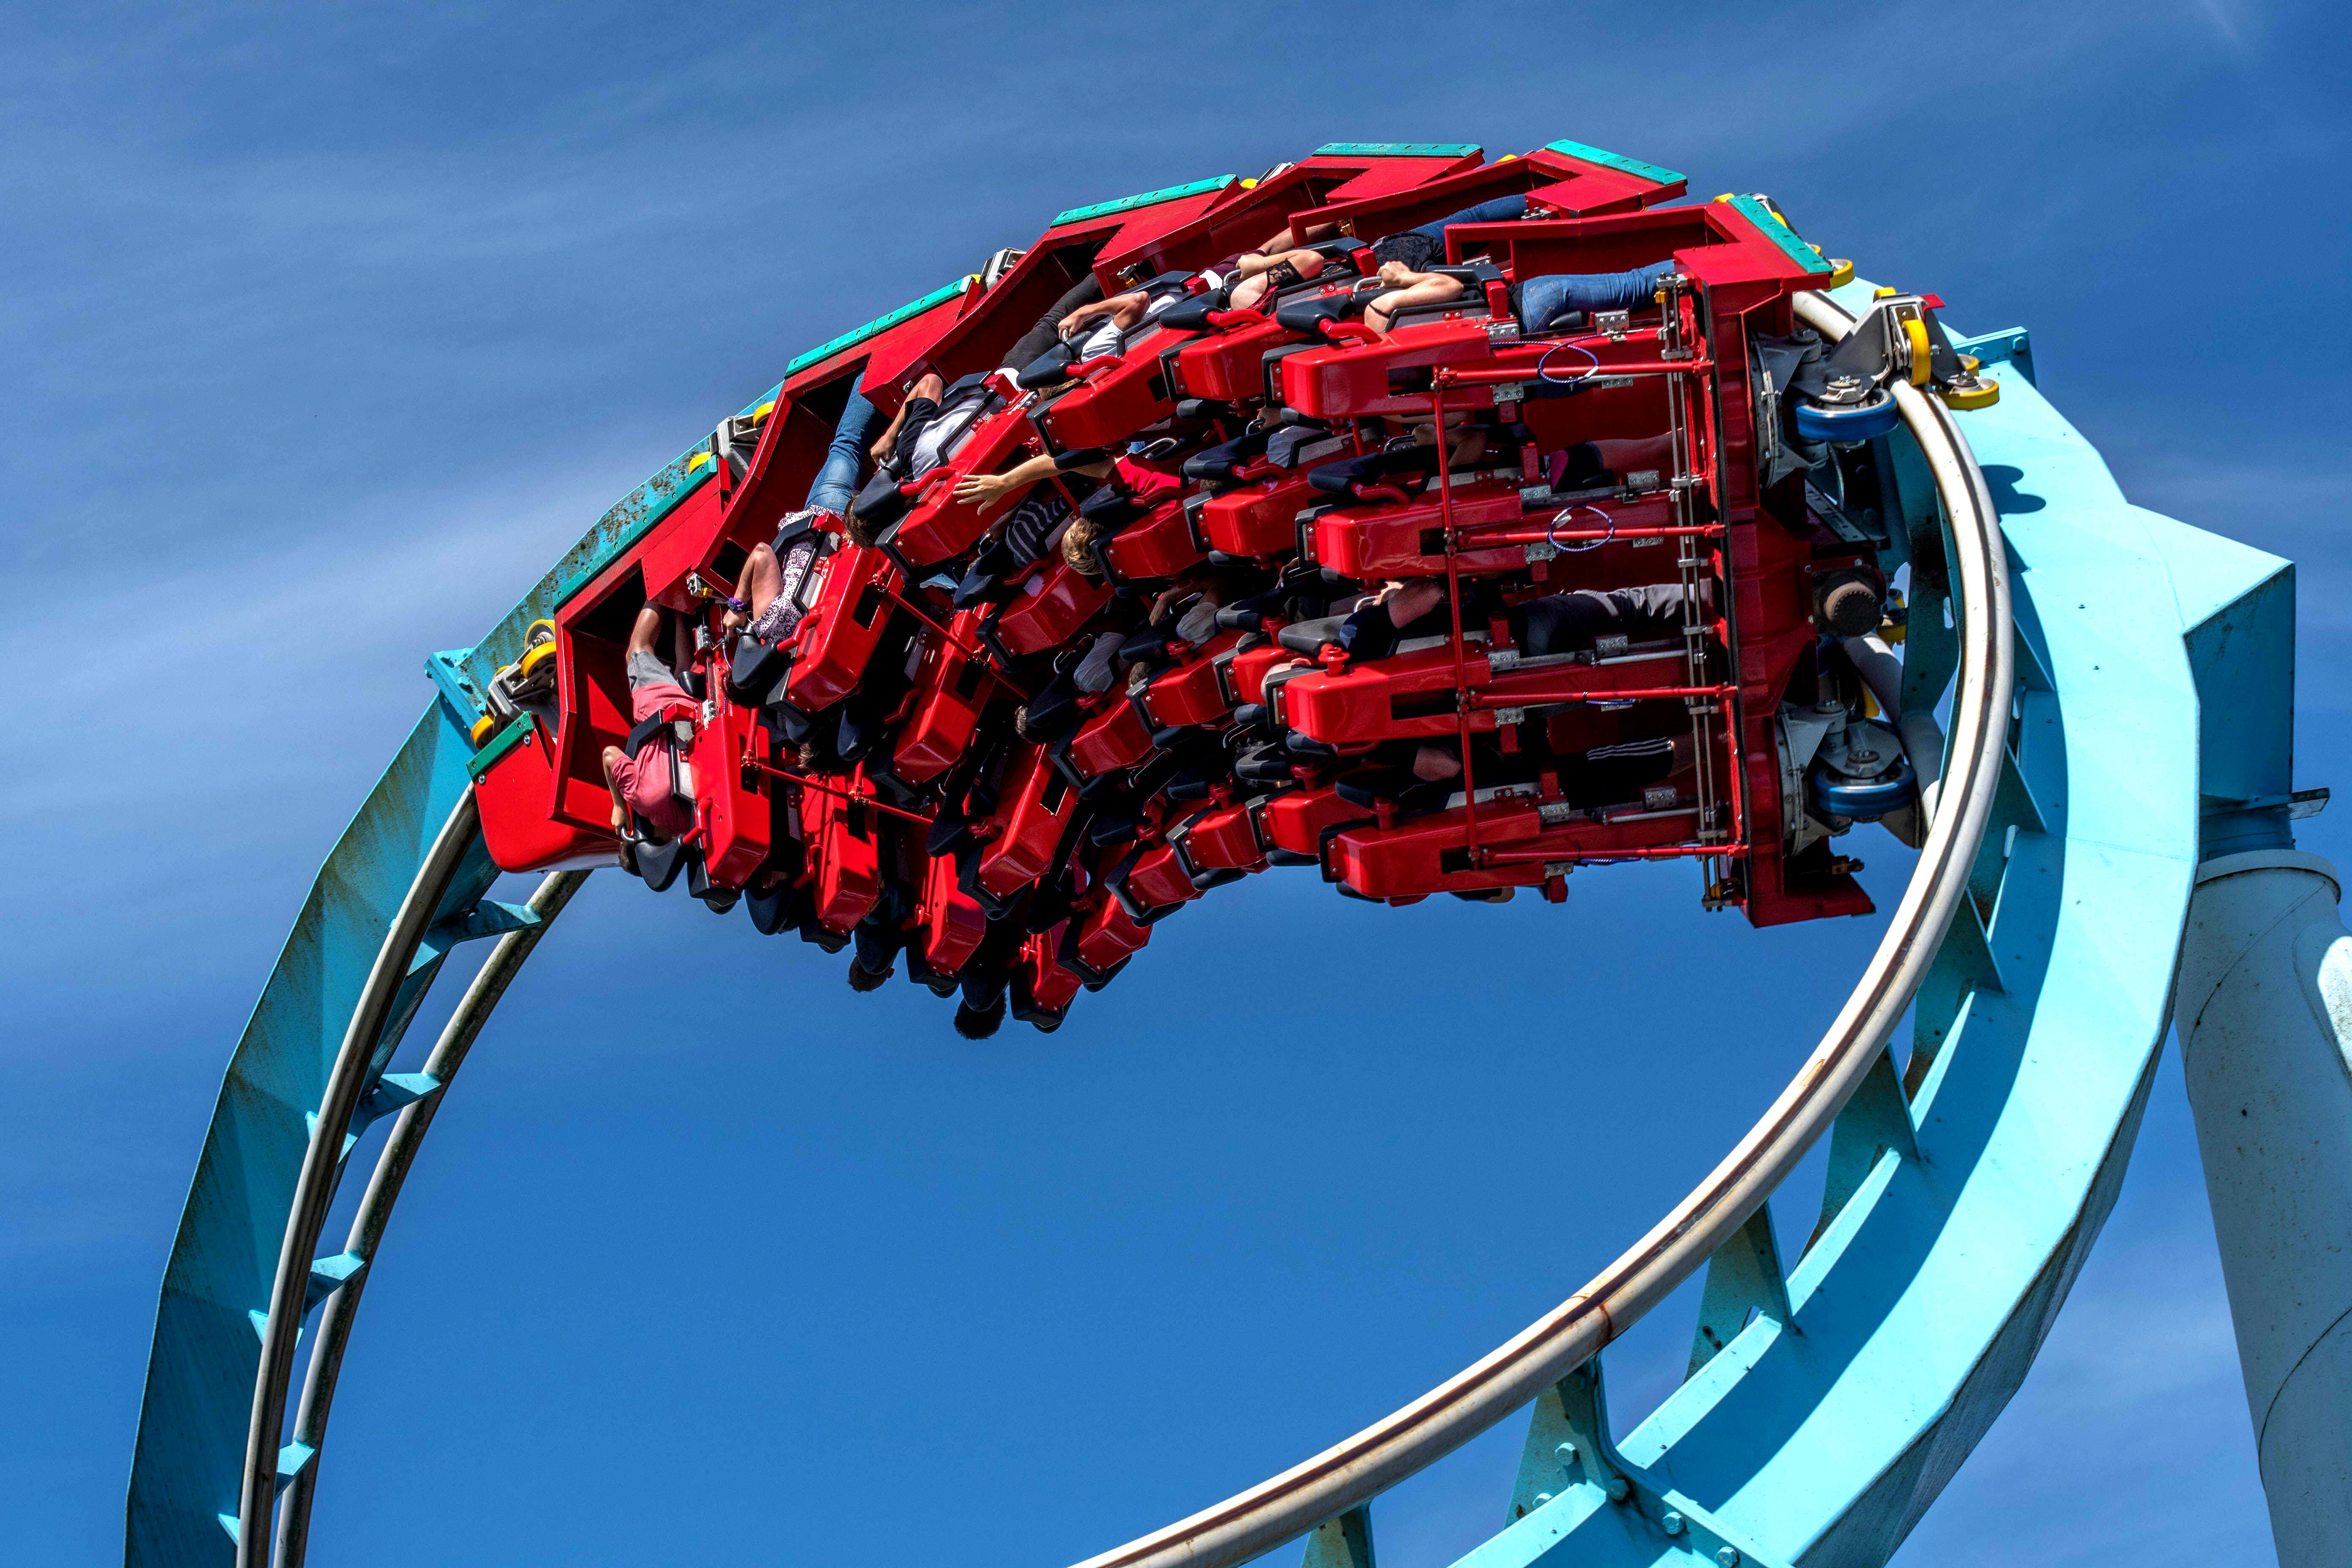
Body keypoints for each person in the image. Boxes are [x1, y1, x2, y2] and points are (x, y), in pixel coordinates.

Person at [602, 605, 698, 846]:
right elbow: (609, 755)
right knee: (637, 651)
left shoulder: (689, 823)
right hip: (663, 706)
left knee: (682, 673)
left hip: (694, 716)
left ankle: (680, 614)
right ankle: (662, 593)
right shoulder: (643, 800)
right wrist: (620, 806)